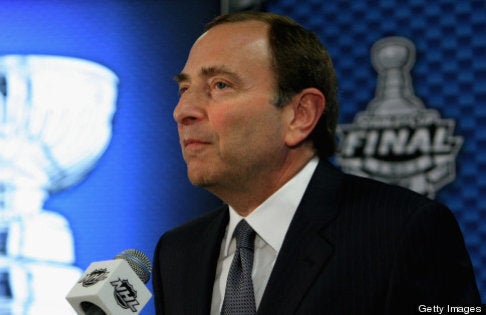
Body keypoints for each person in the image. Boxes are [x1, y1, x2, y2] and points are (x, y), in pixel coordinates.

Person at [152, 11, 480, 314]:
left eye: (220, 85)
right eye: (184, 88)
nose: (183, 111)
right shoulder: (178, 253)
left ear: (300, 114)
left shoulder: (401, 232)